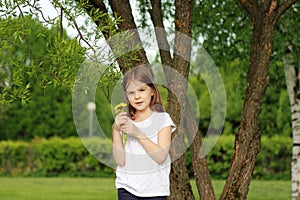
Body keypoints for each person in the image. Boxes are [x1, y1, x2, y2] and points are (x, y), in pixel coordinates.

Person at [112, 66, 176, 200]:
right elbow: (120, 160)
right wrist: (115, 130)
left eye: (142, 90)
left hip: (154, 191)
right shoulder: (126, 120)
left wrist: (138, 133)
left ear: (152, 91)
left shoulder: (163, 119)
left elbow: (160, 157)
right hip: (127, 187)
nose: (137, 96)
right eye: (131, 92)